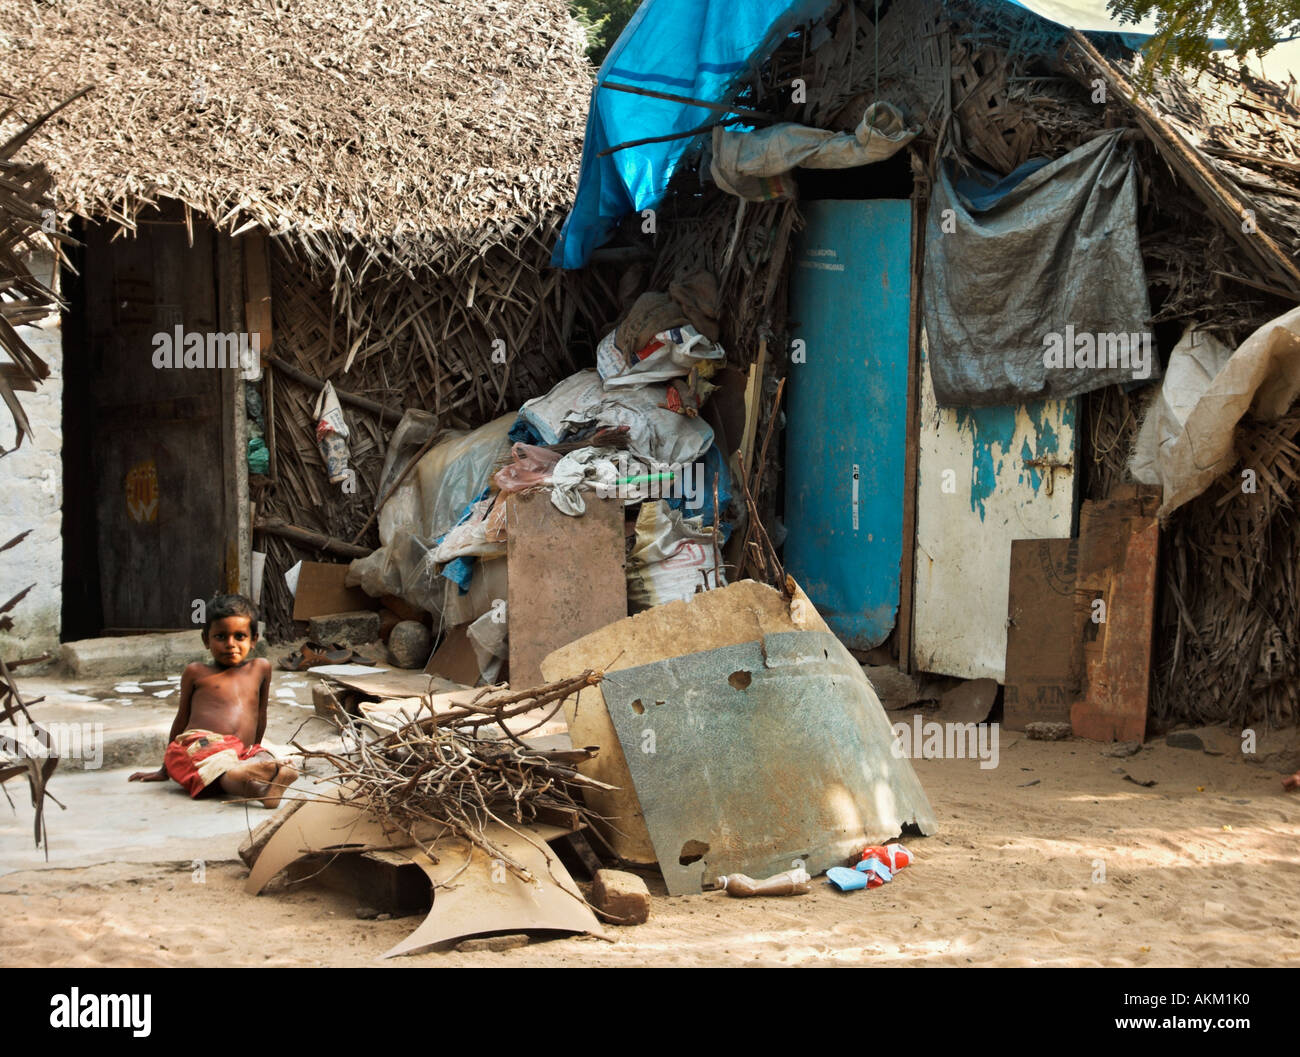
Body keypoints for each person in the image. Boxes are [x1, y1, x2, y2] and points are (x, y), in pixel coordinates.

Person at [129, 594, 297, 807]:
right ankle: (263, 783)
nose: (230, 644)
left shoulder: (260, 668)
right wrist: (165, 768)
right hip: (204, 744)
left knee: (252, 761)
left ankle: (264, 778)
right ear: (206, 640)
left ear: (254, 640)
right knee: (219, 771)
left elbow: (260, 714)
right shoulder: (196, 672)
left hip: (243, 751)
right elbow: (182, 718)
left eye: (239, 636)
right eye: (220, 636)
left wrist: (256, 748)